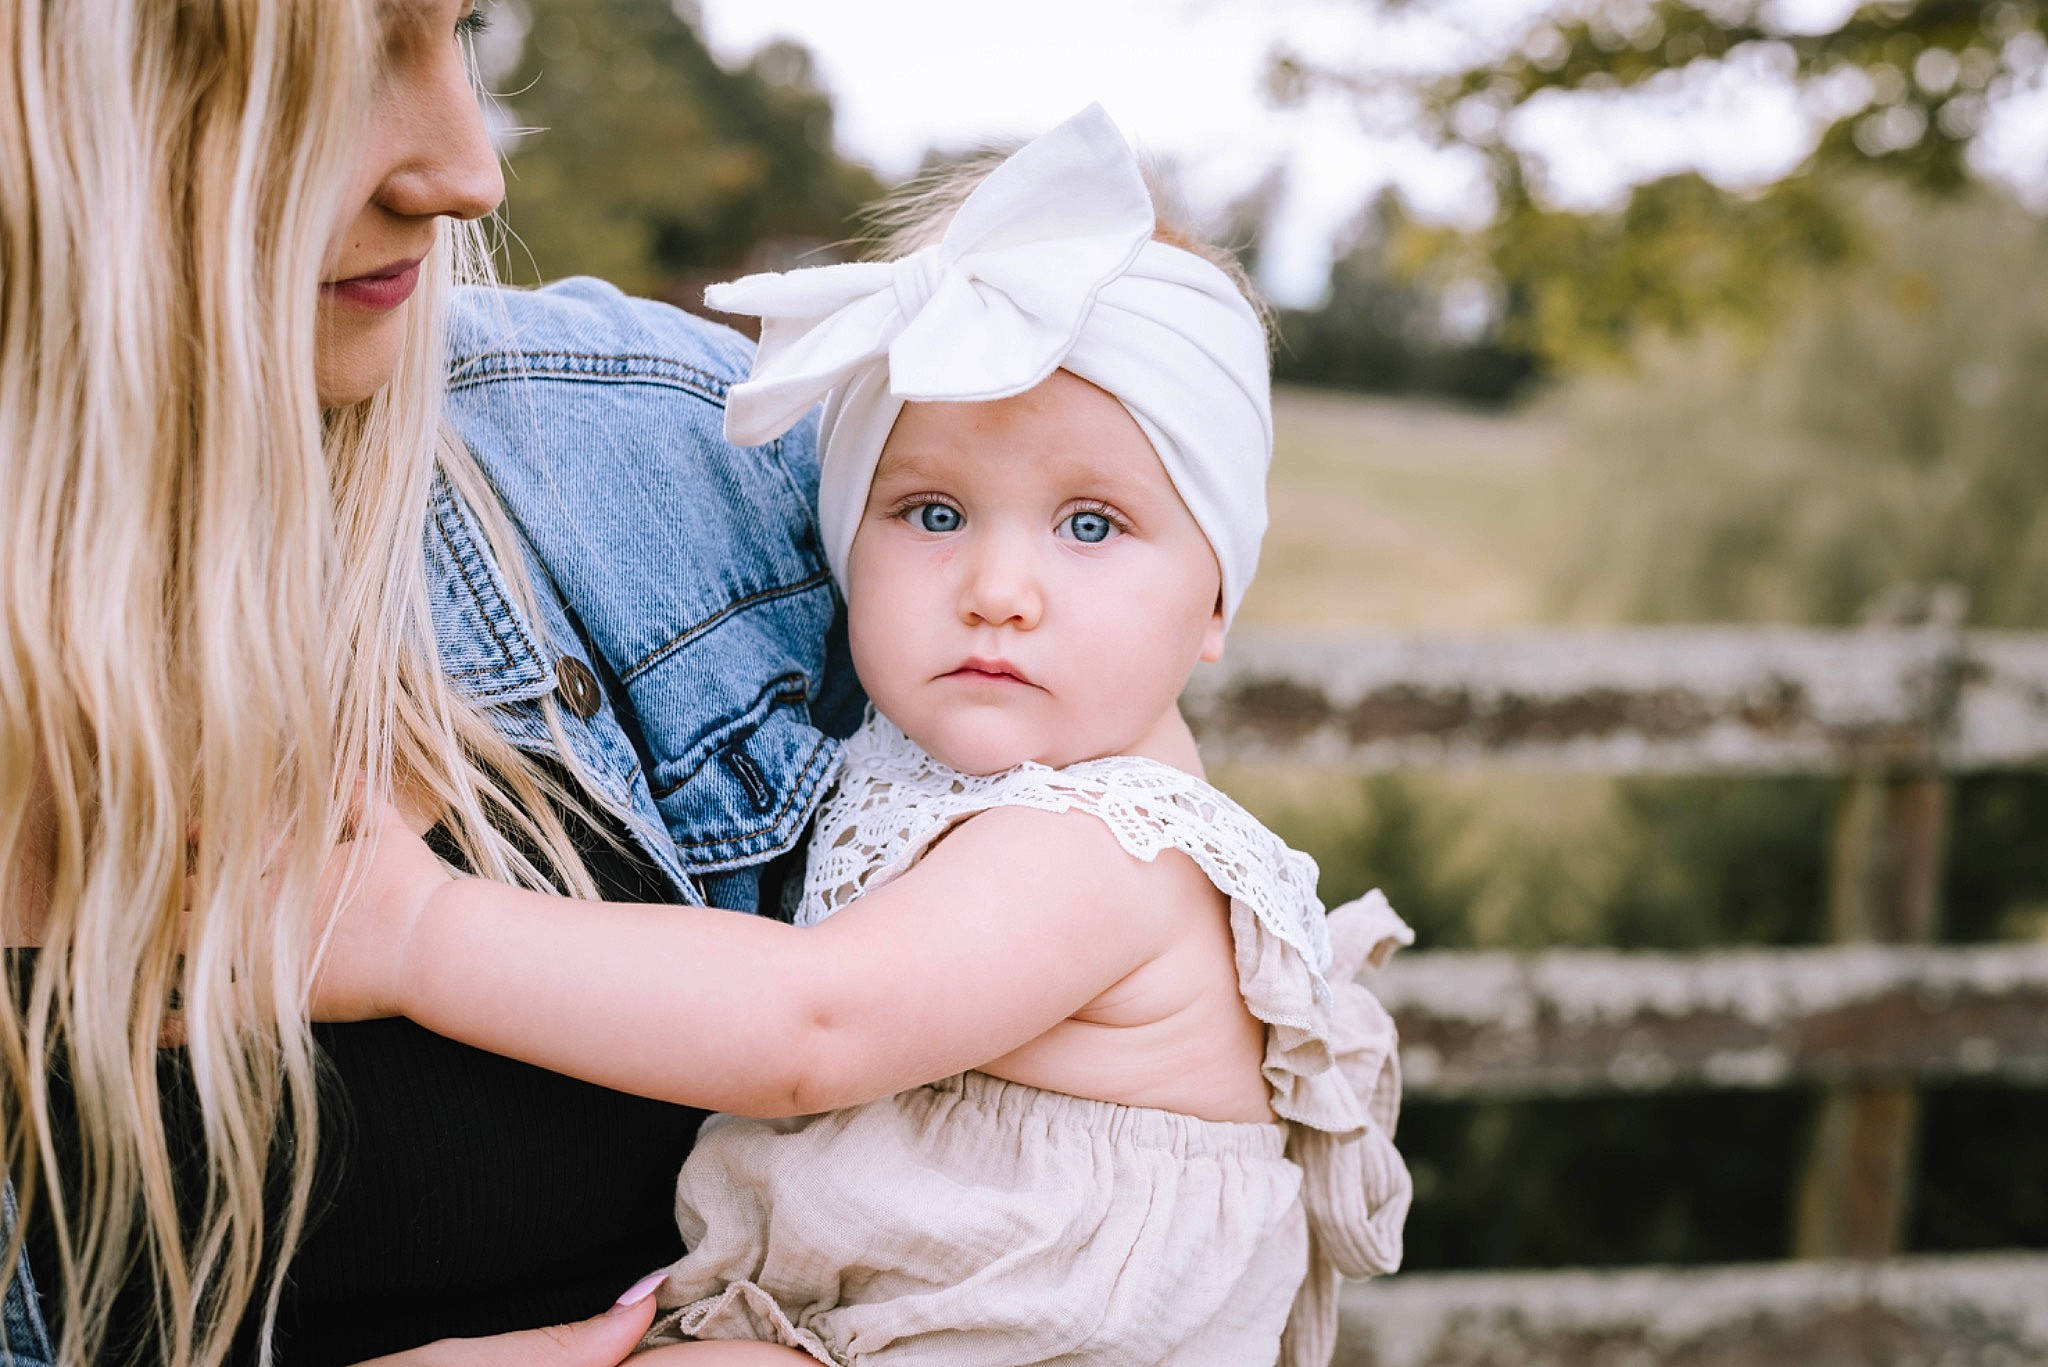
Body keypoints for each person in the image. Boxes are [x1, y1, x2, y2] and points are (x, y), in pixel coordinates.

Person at [317, 106, 1413, 1367]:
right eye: (932, 510)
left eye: (1092, 525)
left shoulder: (1109, 844)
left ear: (1216, 598)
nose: (999, 584)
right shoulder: (917, 771)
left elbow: (807, 1029)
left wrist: (413, 931)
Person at [0, 1, 854, 1363]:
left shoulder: (682, 454)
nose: (466, 172)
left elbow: (1164, 1138)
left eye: (457, 28)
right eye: (337, 62)